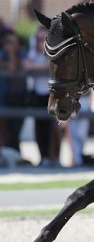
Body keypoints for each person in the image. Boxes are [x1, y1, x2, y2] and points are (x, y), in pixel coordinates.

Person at [23, 26, 61, 167]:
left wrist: (35, 66)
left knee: (54, 128)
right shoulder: (33, 53)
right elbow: (27, 64)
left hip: (51, 94)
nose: (41, 42)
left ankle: (54, 157)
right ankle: (43, 156)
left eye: (43, 39)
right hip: (38, 95)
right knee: (39, 127)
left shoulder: (52, 53)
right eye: (38, 39)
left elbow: (49, 66)